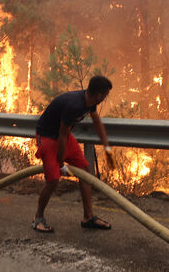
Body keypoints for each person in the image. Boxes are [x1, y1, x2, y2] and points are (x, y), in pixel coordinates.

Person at [32, 75, 115, 233]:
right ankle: (38, 218)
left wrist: (106, 146)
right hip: (48, 136)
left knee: (84, 170)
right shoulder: (74, 105)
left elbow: (96, 122)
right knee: (54, 179)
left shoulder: (89, 102)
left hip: (63, 136)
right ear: (99, 95)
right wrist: (61, 163)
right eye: (105, 95)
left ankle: (88, 217)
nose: (105, 98)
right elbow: (62, 135)